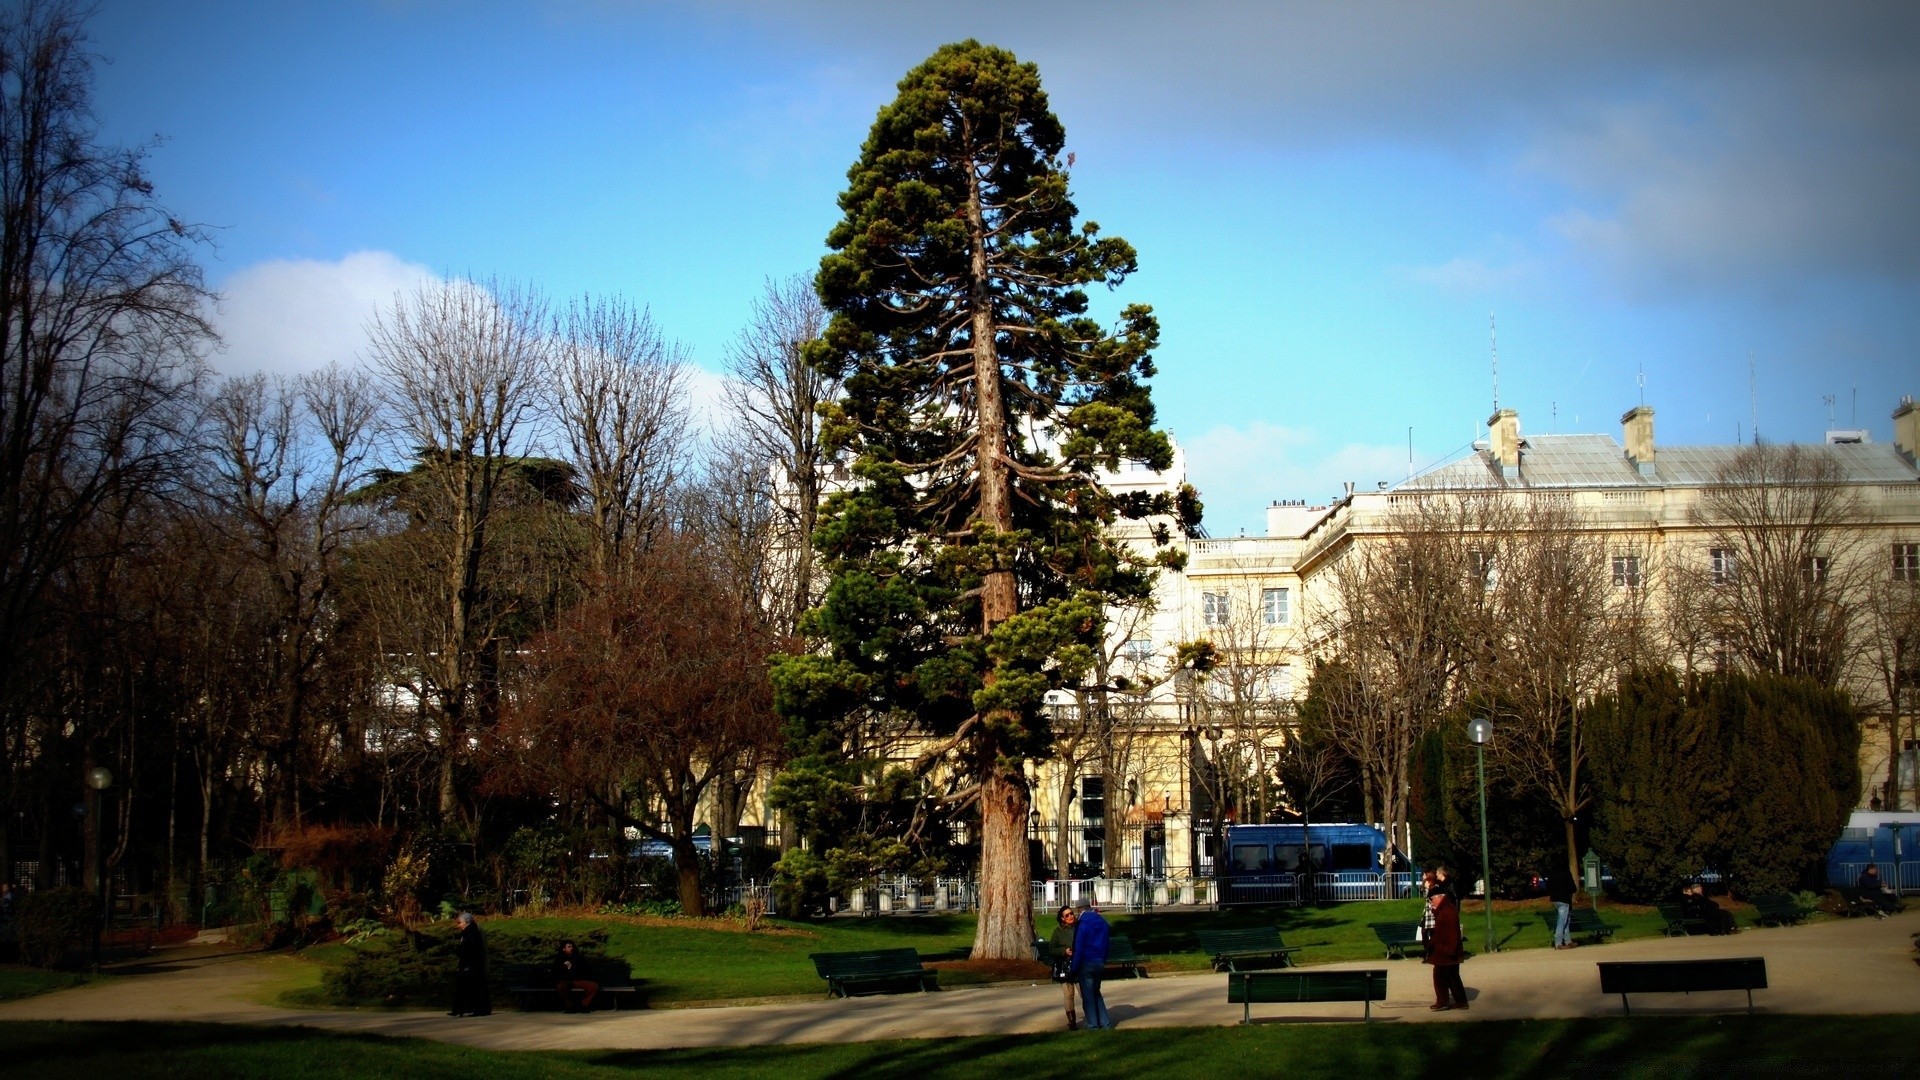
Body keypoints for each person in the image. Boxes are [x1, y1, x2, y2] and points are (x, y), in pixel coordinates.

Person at [1423, 869, 1469, 1011]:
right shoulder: (1444, 910)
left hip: (1447, 950)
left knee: (1441, 977)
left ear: (1439, 897)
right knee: (1452, 977)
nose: (1431, 903)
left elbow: (1451, 933)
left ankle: (1443, 1001)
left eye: (1432, 900)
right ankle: (1460, 1001)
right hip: (1445, 950)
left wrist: (1449, 949)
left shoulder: (1447, 912)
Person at [1070, 899, 1112, 1030]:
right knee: (1096, 992)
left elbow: (1079, 946)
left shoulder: (1082, 924)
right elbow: (1106, 944)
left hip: (1086, 961)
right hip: (1099, 960)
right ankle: (1105, 1023)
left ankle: (1093, 1024)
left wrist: (1074, 967)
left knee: (1088, 995)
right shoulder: (1102, 921)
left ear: (1079, 909)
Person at [449, 912, 491, 1017]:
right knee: (465, 987)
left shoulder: (473, 932)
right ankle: (462, 1008)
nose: (458, 925)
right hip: (469, 965)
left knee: (474, 987)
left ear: (467, 922)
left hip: (473, 966)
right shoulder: (468, 932)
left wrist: (468, 966)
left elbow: (473, 950)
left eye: (460, 922)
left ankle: (475, 1009)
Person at [1048, 905, 1078, 1030]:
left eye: (1071, 913)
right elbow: (1051, 949)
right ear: (1062, 918)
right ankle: (1072, 1021)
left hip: (1079, 964)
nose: (1070, 916)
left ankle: (1092, 1017)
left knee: (1084, 992)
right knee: (1068, 994)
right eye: (1067, 915)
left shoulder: (1079, 927)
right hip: (1065, 966)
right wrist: (1064, 951)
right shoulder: (1058, 932)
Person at [552, 939, 599, 1013]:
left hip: (577, 980)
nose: (571, 948)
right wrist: (566, 968)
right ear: (564, 949)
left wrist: (572, 967)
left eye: (572, 946)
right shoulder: (559, 958)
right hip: (566, 980)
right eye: (569, 947)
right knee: (560, 986)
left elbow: (584, 970)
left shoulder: (578, 957)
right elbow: (556, 971)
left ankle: (584, 1006)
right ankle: (569, 1006)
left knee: (593, 986)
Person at [1547, 864, 1576, 950]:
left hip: (1555, 899)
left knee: (1566, 919)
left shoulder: (1551, 874)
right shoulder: (1566, 873)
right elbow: (1573, 888)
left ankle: (1568, 941)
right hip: (1564, 899)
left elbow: (1548, 887)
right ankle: (1558, 943)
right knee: (1562, 921)